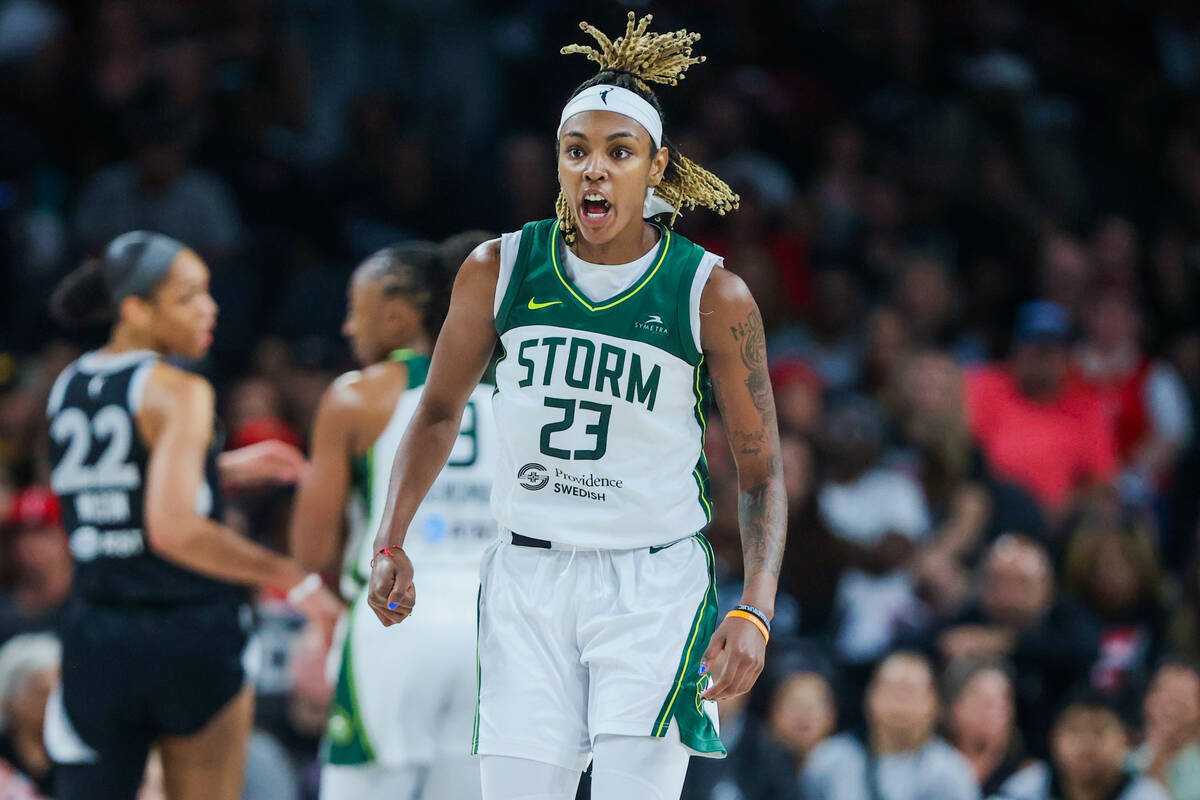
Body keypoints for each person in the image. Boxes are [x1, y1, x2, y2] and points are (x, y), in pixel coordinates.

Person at [366, 13, 786, 800]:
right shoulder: (499, 268)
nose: (595, 171)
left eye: (619, 154)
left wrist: (756, 609)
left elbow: (762, 473)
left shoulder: (711, 293)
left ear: (656, 166)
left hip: (653, 586)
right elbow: (435, 412)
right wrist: (390, 537)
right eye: (576, 152)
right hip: (527, 574)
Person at [44, 230, 342, 800]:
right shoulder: (179, 389)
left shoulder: (68, 384)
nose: (211, 307)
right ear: (134, 308)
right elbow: (174, 528)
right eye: (187, 297)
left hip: (94, 635)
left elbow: (111, 487)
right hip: (185, 632)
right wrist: (294, 579)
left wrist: (218, 467)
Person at [289, 239, 497, 800]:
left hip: (395, 625)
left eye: (357, 309)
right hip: (495, 631)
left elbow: (311, 551)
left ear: (399, 316)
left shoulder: (357, 397)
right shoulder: (513, 390)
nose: (347, 326)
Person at [934, 534, 1100, 756]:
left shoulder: (1067, 617)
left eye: (1021, 582)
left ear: (1047, 586)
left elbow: (1082, 651)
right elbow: (934, 640)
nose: (1008, 594)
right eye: (997, 581)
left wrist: (1004, 642)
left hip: (1050, 749)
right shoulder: (971, 616)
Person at [965, 301, 1117, 522]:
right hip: (990, 516)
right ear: (1015, 350)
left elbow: (1103, 483)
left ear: (1066, 357)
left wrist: (1063, 510)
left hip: (1059, 524)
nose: (1042, 358)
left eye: (1050, 349)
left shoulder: (1087, 407)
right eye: (1033, 347)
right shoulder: (985, 386)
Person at [801, 651, 980, 800]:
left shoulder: (950, 774)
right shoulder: (829, 761)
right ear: (869, 697)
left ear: (934, 704)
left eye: (910, 692)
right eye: (891, 690)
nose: (899, 703)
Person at [1000, 692, 1170, 800]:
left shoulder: (1147, 794)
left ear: (1125, 739)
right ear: (1054, 739)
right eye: (1075, 730)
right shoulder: (1027, 787)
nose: (1085, 743)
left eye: (1098, 731)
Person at [944, 659, 1031, 796]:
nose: (993, 711)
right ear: (955, 707)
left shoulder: (1028, 775)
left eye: (1002, 702)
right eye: (982, 701)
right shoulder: (930, 766)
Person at [1130, 660, 1200, 800]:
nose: (1172, 708)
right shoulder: (1122, 762)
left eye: (1183, 698)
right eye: (1167, 694)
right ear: (1148, 699)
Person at [0, 633, 59, 797]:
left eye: (57, 693)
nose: (51, 703)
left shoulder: (69, 759)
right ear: (11, 699)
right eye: (42, 693)